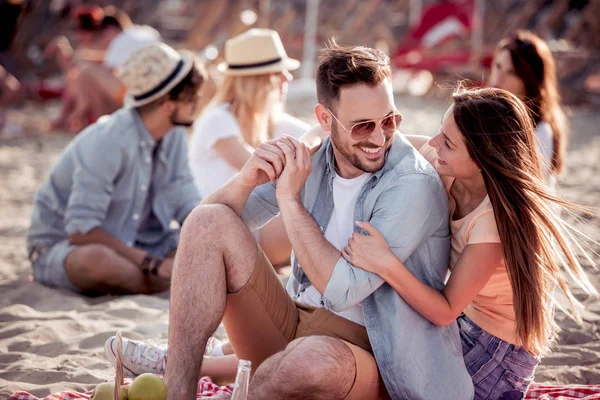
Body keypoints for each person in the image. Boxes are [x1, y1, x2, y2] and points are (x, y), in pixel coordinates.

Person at [107, 41, 474, 400]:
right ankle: (179, 389)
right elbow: (204, 227)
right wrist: (248, 177)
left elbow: (342, 290)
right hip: (294, 321)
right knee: (208, 221)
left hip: (375, 357)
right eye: (363, 126)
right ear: (325, 119)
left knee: (311, 363)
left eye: (390, 120)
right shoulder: (313, 156)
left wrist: (289, 199)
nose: (380, 137)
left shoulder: (412, 185)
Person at [341, 87, 597, 399]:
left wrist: (384, 262)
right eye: (439, 132)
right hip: (467, 320)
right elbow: (396, 145)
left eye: (447, 143)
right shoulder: (450, 168)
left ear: (481, 158)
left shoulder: (493, 222)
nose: (434, 144)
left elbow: (445, 310)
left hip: (500, 350)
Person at [27, 43, 205, 295]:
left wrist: (206, 232)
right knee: (97, 262)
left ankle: (153, 282)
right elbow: (81, 231)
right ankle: (158, 283)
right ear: (167, 104)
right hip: (66, 246)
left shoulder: (174, 134)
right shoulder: (109, 140)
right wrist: (152, 264)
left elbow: (187, 202)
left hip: (143, 243)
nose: (198, 101)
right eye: (191, 96)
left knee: (202, 247)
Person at [188, 29, 310, 266]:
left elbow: (322, 134)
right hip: (225, 237)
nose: (288, 77)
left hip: (250, 228)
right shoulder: (217, 120)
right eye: (278, 72)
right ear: (256, 80)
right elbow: (262, 172)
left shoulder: (267, 119)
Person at [48, 6, 161, 132]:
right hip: (157, 92)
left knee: (86, 73)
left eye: (103, 33)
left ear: (110, 30)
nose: (103, 38)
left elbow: (105, 70)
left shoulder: (120, 41)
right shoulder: (144, 32)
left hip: (137, 95)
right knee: (88, 72)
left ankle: (100, 123)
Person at [489, 30, 568, 189]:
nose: (498, 79)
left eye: (511, 73)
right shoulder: (490, 111)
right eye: (498, 66)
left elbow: (523, 191)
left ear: (529, 80)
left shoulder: (541, 131)